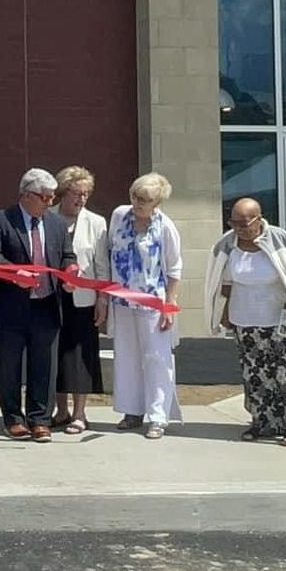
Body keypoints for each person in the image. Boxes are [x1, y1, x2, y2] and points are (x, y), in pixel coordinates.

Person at [205, 197, 286, 445]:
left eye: (244, 223)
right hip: (244, 319)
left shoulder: (279, 239)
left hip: (279, 319)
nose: (239, 228)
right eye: (234, 222)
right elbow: (224, 283)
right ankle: (261, 422)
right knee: (255, 374)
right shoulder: (228, 245)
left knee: (285, 373)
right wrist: (224, 312)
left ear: (259, 219)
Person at [0, 168, 76, 442]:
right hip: (11, 306)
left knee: (44, 365)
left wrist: (71, 270)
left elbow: (66, 254)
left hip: (46, 304)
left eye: (52, 197)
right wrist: (14, 274)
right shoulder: (1, 220)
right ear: (25, 195)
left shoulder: (56, 224)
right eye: (44, 197)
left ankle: (40, 419)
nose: (49, 203)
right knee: (10, 365)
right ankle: (13, 418)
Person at [102, 172, 184, 440]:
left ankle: (158, 416)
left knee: (156, 358)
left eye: (144, 199)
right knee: (126, 355)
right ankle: (131, 410)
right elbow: (110, 250)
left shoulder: (165, 227)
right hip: (122, 299)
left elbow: (174, 268)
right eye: (134, 196)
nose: (137, 203)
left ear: (157, 202)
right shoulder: (119, 216)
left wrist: (170, 303)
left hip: (153, 301)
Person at [49, 166, 108, 435]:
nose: (81, 199)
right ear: (63, 192)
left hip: (84, 299)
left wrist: (102, 299)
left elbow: (102, 264)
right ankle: (60, 410)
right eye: (76, 193)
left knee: (82, 355)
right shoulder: (47, 217)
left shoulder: (96, 222)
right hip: (52, 297)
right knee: (56, 354)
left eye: (86, 194)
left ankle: (80, 412)